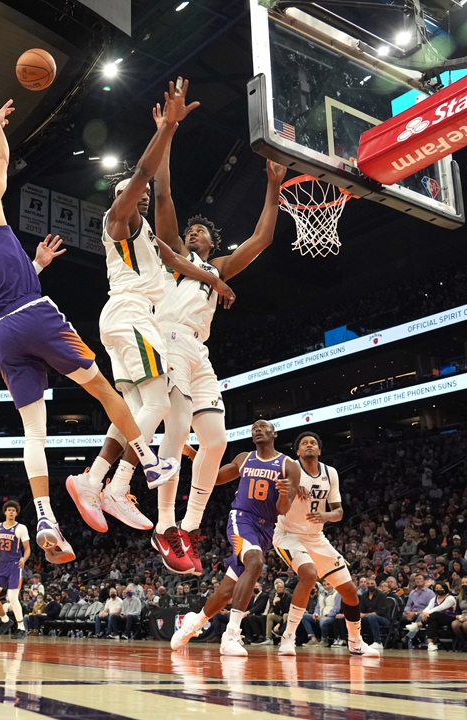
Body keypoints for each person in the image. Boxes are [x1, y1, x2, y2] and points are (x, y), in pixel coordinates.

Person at [0, 101, 184, 564]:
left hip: (1, 333)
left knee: (34, 434)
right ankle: (145, 459)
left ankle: (44, 514)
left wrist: (36, 265)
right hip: (36, 314)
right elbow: (0, 162)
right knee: (106, 391)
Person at [84, 128, 284, 574]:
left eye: (199, 232)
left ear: (211, 243)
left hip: (199, 352)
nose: (191, 234)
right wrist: (169, 134)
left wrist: (272, 186)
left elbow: (262, 238)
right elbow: (164, 192)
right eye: (189, 231)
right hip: (166, 336)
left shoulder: (219, 267)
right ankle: (162, 521)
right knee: (173, 432)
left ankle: (189, 525)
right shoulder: (171, 253)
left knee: (216, 440)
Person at [65, 79, 236, 536]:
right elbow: (148, 176)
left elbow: (177, 256)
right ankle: (100, 481)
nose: (140, 196)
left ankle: (112, 484)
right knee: (159, 401)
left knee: (138, 407)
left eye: (140, 195)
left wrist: (213, 280)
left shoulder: (150, 243)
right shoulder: (117, 222)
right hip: (131, 315)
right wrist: (167, 131)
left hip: (131, 323)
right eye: (133, 193)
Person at [169, 420, 300, 657]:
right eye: (254, 428)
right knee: (256, 562)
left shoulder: (289, 466)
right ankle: (231, 634)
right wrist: (192, 454)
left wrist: (283, 494)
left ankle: (193, 624)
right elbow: (216, 478)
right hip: (241, 519)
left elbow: (283, 509)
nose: (257, 429)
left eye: (263, 426)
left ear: (274, 433)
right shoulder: (244, 458)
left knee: (226, 591)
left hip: (266, 529)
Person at [270, 431, 376, 656]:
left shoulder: (331, 473)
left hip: (317, 537)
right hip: (288, 534)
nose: (309, 445)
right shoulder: (289, 468)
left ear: (319, 450)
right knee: (308, 574)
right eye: (304, 443)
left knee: (349, 590)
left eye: (313, 443)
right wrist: (289, 489)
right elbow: (276, 501)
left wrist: (327, 516)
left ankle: (355, 642)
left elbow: (338, 512)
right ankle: (288, 638)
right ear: (297, 451)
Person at [0, 501, 31, 640]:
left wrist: (24, 559)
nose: (11, 512)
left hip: (15, 565)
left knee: (12, 597)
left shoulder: (21, 528)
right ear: (5, 512)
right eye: (9, 510)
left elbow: (28, 548)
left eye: (13, 510)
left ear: (16, 513)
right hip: (2, 565)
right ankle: (5, 621)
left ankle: (21, 628)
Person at [418, 581, 457, 652]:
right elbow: (428, 608)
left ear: (445, 588)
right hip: (437, 619)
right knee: (432, 622)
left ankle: (419, 624)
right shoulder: (434, 599)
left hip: (449, 618)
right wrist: (424, 613)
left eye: (440, 588)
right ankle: (430, 644)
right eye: (437, 588)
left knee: (436, 614)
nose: (438, 590)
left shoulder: (450, 598)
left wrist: (427, 614)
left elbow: (439, 608)